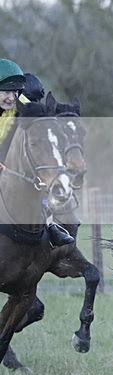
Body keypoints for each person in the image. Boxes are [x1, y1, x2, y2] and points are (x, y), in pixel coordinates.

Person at [0, 59, 74, 246]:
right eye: (6, 92)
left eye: (16, 92)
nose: (11, 97)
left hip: (9, 156)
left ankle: (50, 226)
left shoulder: (22, 103)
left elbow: (45, 120)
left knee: (39, 180)